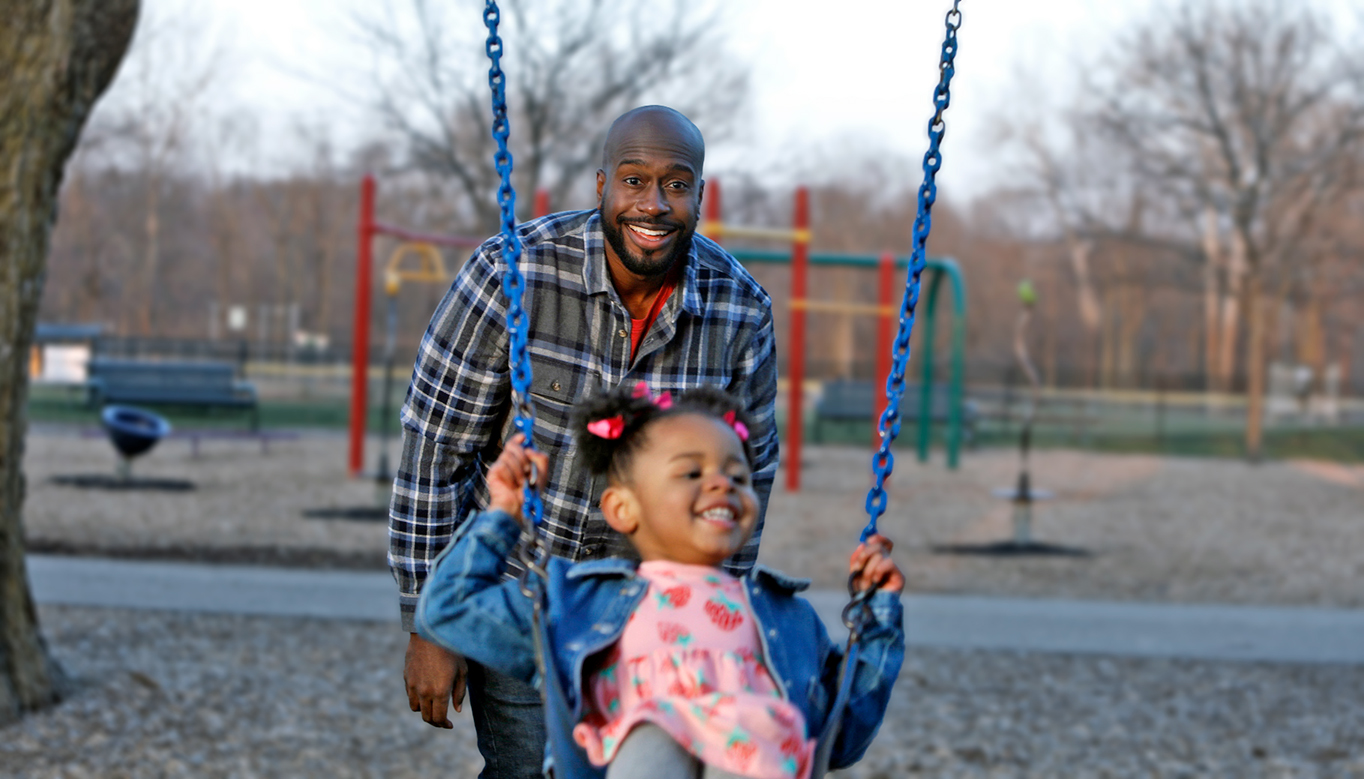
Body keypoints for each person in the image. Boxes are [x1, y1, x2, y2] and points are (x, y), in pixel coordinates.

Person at [390, 105, 780, 778]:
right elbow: (436, 449)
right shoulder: (511, 274)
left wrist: (720, 628)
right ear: (601, 184)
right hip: (529, 596)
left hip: (657, 619)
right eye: (634, 180)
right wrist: (429, 618)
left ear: (699, 196)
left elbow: (750, 475)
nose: (654, 204)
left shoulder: (740, 310)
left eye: (676, 184)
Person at [417, 385, 905, 779]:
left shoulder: (786, 620)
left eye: (737, 475)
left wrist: (878, 616)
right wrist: (502, 515)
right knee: (648, 739)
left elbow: (843, 735)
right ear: (623, 508)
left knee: (758, 745)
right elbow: (448, 607)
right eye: (691, 472)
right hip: (642, 753)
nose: (721, 483)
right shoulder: (582, 605)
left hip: (755, 749)